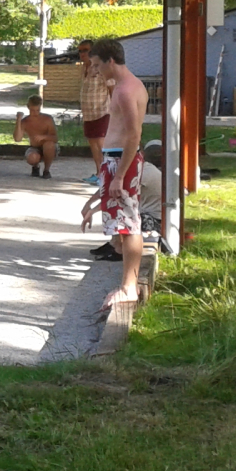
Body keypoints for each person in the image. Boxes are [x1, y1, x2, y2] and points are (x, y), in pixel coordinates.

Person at [78, 40, 148, 309]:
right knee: (119, 229)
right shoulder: (121, 87)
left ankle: (129, 288)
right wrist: (95, 198)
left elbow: (134, 135)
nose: (95, 71)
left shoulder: (126, 90)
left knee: (128, 225)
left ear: (110, 61)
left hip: (122, 160)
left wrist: (118, 176)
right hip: (115, 160)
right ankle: (126, 282)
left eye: (97, 65)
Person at [90, 139, 164, 260]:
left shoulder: (145, 172)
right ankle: (113, 244)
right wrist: (89, 204)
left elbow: (115, 196)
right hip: (150, 215)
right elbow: (107, 189)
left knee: (122, 210)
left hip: (154, 221)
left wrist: (92, 210)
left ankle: (119, 250)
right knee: (123, 209)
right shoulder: (146, 168)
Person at [77, 40, 111, 184]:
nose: (83, 54)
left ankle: (108, 175)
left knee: (101, 143)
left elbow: (112, 88)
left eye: (86, 50)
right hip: (88, 113)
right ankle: (99, 173)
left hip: (102, 111)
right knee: (92, 142)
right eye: (80, 51)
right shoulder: (83, 69)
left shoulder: (101, 68)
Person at [13, 95, 59, 179]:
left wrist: (44, 137)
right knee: (32, 157)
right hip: (34, 147)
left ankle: (46, 170)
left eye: (37, 110)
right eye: (32, 110)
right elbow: (17, 139)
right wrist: (18, 120)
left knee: (49, 145)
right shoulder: (25, 121)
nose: (35, 113)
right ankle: (35, 166)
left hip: (48, 146)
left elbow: (55, 138)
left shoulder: (47, 119)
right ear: (28, 107)